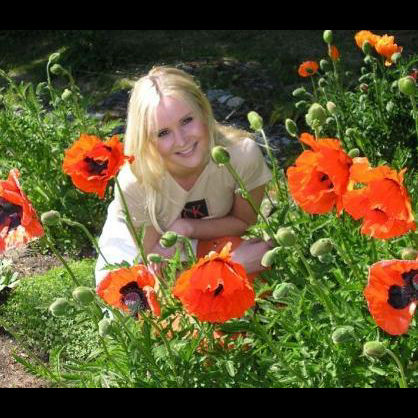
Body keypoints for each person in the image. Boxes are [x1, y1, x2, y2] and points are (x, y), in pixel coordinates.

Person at [95, 66, 273, 286]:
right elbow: (159, 271)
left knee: (257, 283)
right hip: (137, 249)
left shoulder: (240, 156)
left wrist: (186, 227)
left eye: (187, 121)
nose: (181, 141)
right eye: (163, 133)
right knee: (134, 300)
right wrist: (233, 265)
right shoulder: (134, 182)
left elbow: (243, 221)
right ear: (147, 139)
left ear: (204, 111)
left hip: (209, 235)